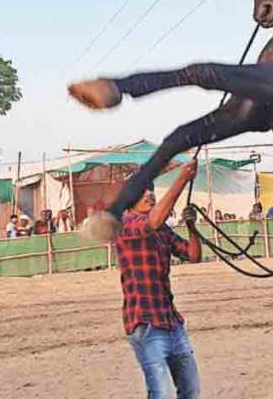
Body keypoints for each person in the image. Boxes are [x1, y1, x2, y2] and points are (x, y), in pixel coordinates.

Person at [115, 160, 203, 399]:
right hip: (145, 324)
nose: (150, 194)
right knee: (161, 393)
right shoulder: (124, 226)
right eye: (143, 191)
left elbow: (193, 255)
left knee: (191, 391)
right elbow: (151, 222)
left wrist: (192, 227)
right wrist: (182, 179)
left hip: (172, 322)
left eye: (151, 189)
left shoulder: (162, 229)